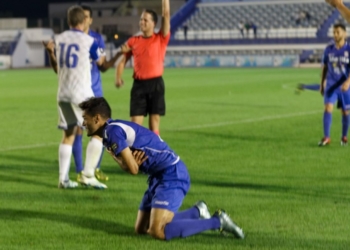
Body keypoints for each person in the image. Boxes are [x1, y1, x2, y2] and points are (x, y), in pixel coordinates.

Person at [79, 96, 245, 240]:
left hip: (171, 173)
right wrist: (125, 161)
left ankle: (217, 221)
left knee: (157, 231)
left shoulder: (112, 132)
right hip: (157, 176)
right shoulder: (109, 132)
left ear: (97, 118)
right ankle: (197, 212)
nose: (83, 123)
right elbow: (129, 166)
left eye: (85, 118)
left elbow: (133, 170)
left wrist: (127, 162)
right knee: (141, 229)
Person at [43, 5, 123, 184]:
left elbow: (57, 68)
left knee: (69, 134)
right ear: (83, 21)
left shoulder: (59, 39)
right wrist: (119, 54)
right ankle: (88, 174)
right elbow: (102, 64)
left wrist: (50, 52)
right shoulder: (89, 41)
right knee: (100, 129)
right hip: (81, 93)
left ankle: (63, 180)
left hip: (63, 94)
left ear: (69, 21)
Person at [115, 0, 171, 136]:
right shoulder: (133, 41)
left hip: (156, 84)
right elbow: (122, 61)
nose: (142, 22)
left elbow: (166, 14)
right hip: (139, 86)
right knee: (134, 125)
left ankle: (155, 154)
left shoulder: (161, 38)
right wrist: (118, 78)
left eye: (145, 20)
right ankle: (135, 155)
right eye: (141, 20)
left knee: (154, 124)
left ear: (154, 23)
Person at [318, 23, 350, 146]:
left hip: (344, 86)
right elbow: (325, 67)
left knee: (345, 112)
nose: (335, 35)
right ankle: (327, 137)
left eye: (338, 32)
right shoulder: (329, 49)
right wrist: (322, 84)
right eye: (334, 32)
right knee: (327, 108)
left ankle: (344, 137)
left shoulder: (349, 49)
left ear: (344, 33)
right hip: (331, 85)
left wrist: (348, 82)